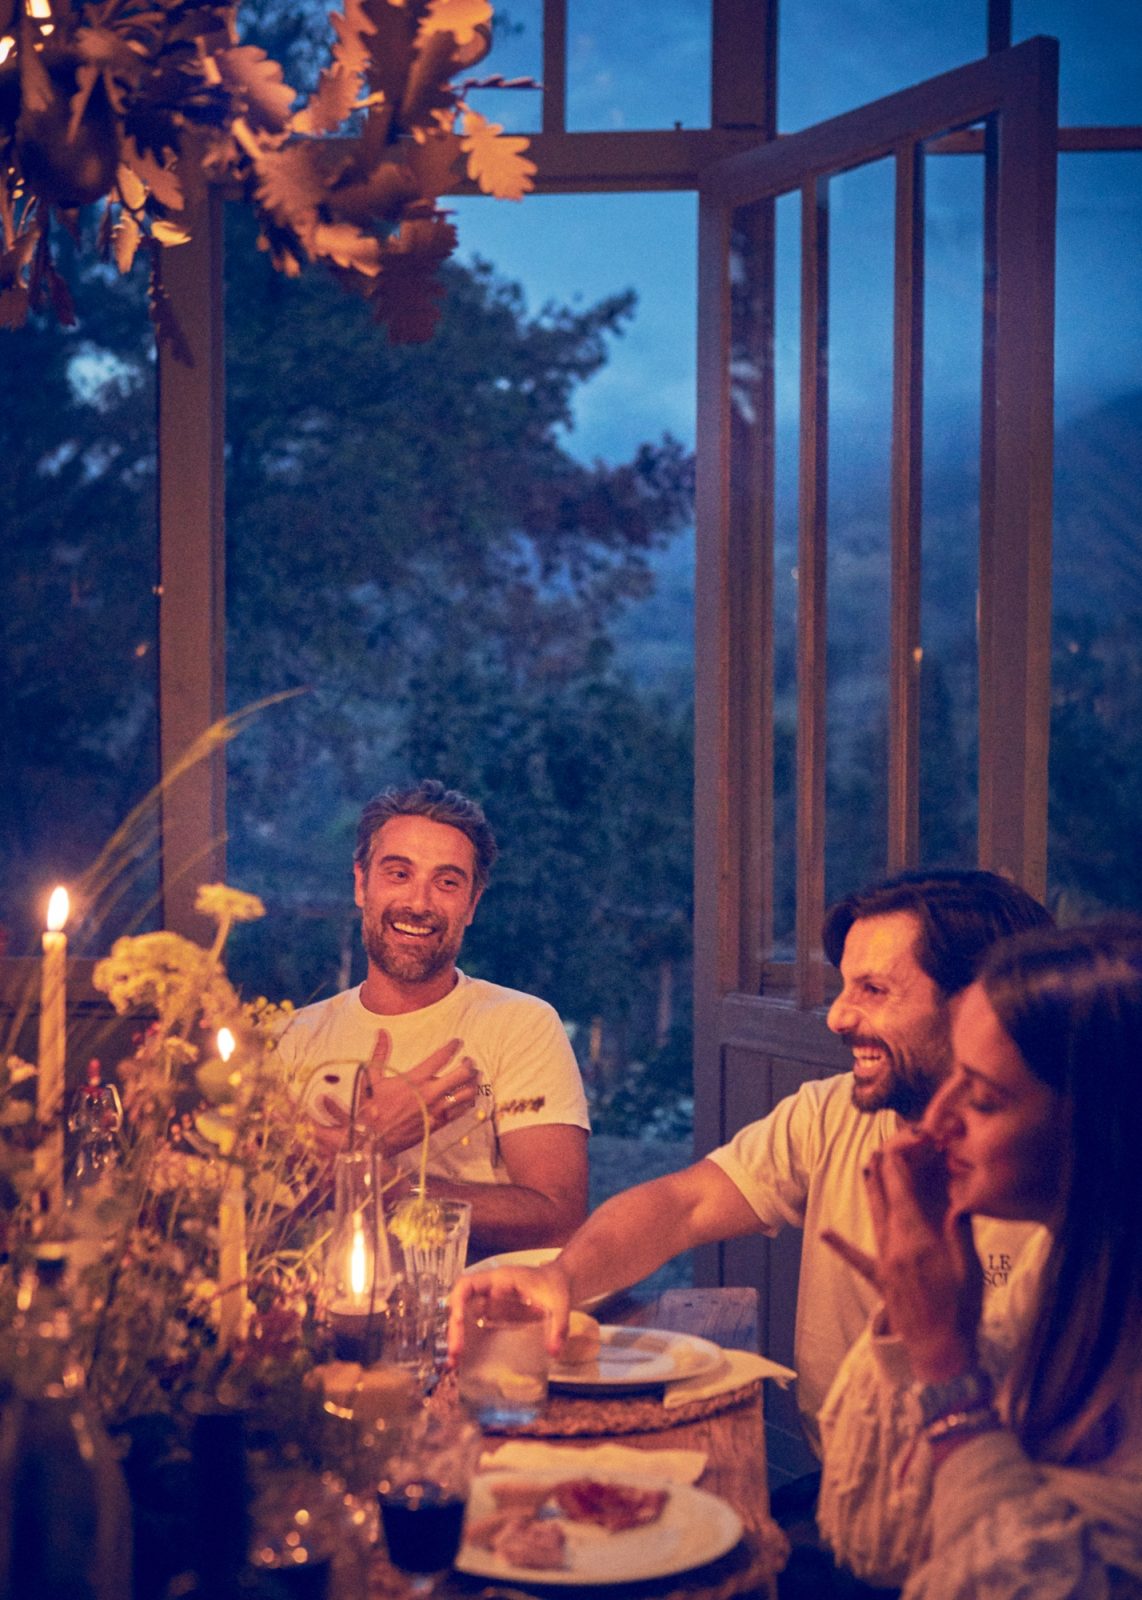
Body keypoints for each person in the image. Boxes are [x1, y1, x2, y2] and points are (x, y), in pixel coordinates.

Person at [451, 868, 1053, 1453]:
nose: (838, 1017)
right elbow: (681, 1205)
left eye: (873, 990)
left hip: (997, 1499)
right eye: (843, 987)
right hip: (840, 1484)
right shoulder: (830, 1112)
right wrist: (561, 1277)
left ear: (982, 1005)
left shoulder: (1068, 1186)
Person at [816, 923, 1142, 1597]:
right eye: (954, 1078)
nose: (938, 1123)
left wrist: (941, 1359)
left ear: (1107, 1128)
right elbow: (881, 1541)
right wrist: (926, 1320)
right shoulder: (1062, 1265)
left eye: (985, 1098)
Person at [275, 780, 590, 1255]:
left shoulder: (520, 1024)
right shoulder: (287, 1037)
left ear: (472, 904)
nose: (419, 904)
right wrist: (368, 1143)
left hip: (473, 1299)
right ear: (361, 884)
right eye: (399, 874)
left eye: (446, 883)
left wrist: (393, 1187)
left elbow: (558, 1219)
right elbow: (245, 1223)